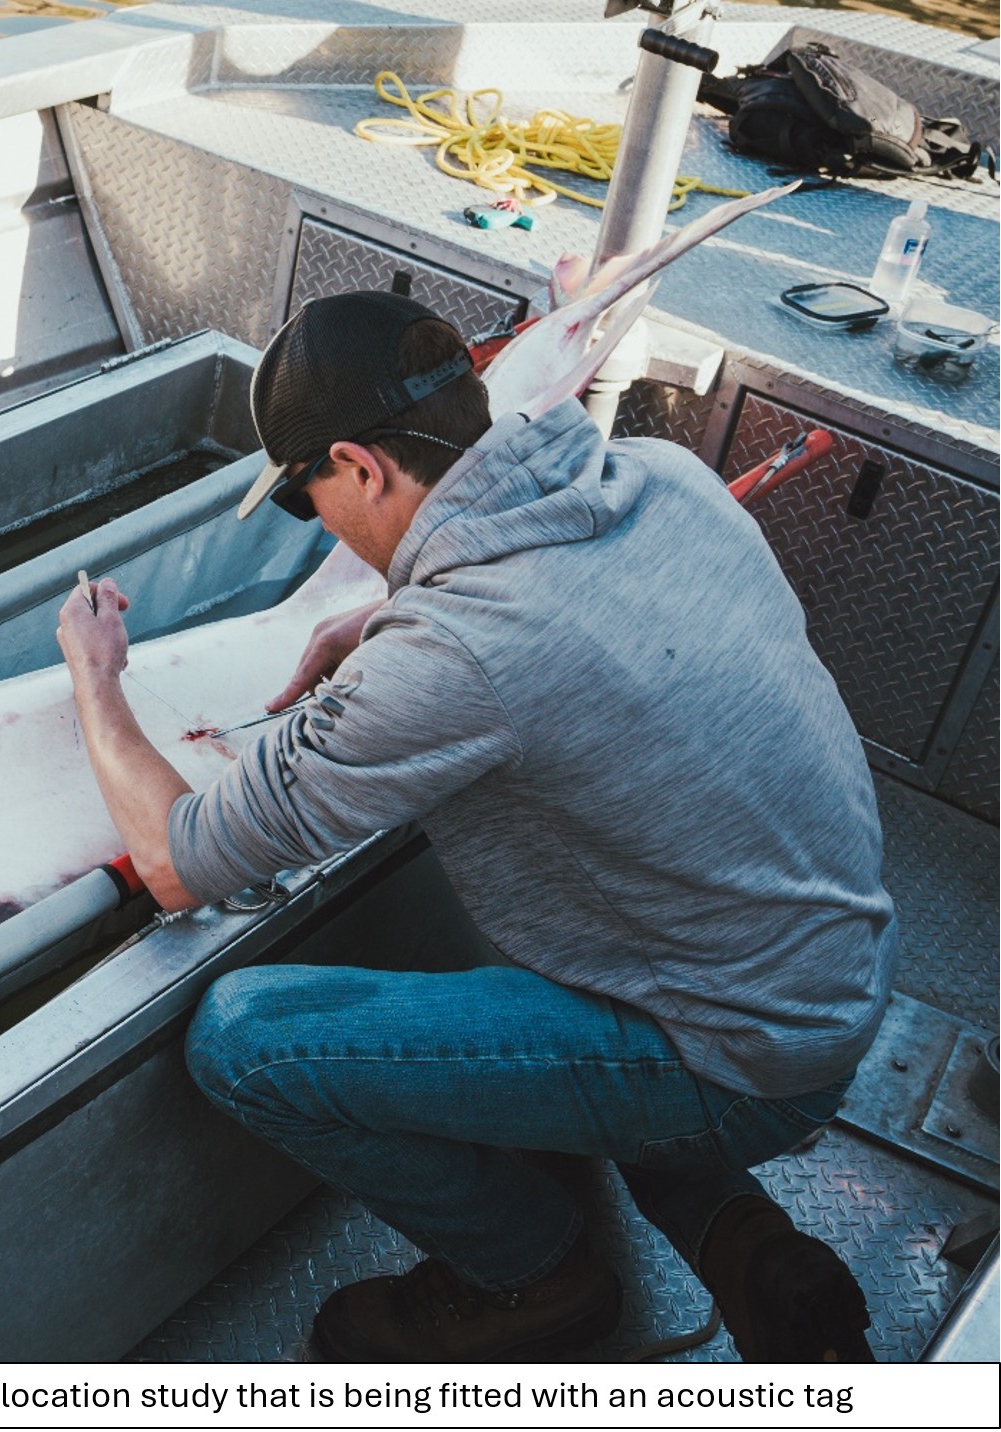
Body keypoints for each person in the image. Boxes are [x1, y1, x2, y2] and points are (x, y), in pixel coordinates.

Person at [54, 291, 894, 1363]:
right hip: (827, 982)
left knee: (244, 1040)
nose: (322, 523)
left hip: (737, 1057)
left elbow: (177, 863)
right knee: (592, 990)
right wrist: (385, 620)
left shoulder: (460, 654)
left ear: (359, 468)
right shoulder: (665, 477)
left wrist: (95, 679)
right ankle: (738, 1236)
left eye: (308, 501)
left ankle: (534, 1279)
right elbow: (544, 629)